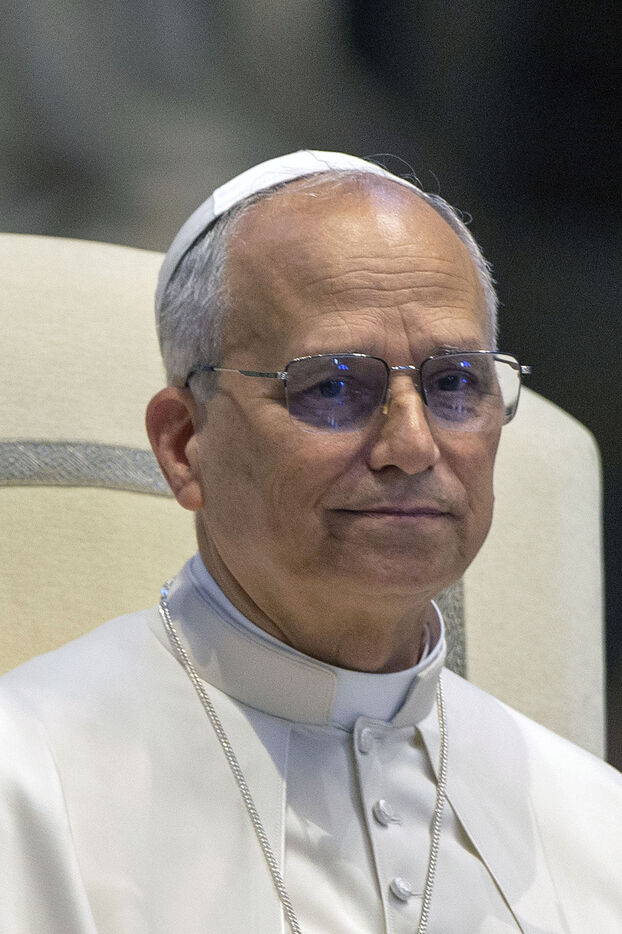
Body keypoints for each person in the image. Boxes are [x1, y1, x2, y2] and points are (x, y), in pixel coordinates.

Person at [1, 150, 620, 933]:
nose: (412, 445)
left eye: (455, 383)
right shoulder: (26, 783)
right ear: (184, 444)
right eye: (332, 386)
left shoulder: (596, 824)